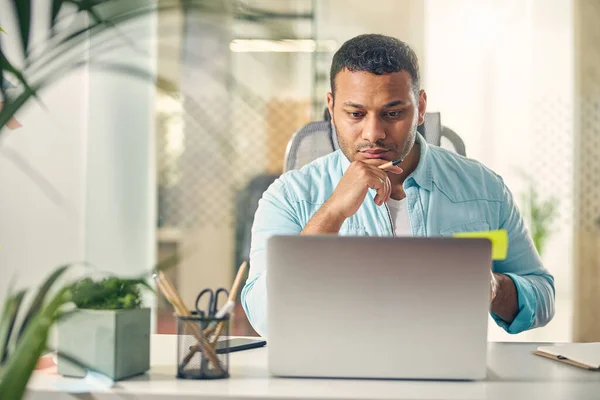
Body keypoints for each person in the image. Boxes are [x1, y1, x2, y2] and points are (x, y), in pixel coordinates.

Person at [241, 34, 555, 338]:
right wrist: (332, 212)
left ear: (420, 107)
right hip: (331, 380)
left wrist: (494, 288)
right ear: (331, 108)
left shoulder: (483, 188)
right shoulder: (290, 195)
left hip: (447, 377)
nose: (374, 133)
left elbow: (542, 296)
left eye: (393, 113)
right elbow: (265, 317)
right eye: (355, 114)